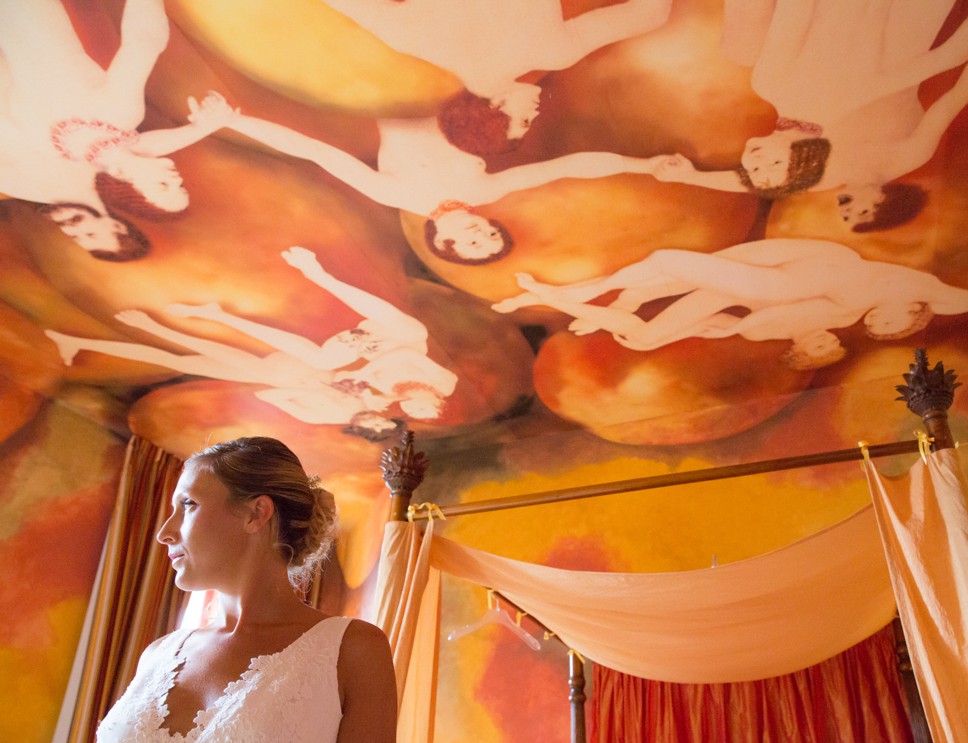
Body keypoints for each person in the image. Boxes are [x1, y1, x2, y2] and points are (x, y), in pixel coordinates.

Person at [94, 437, 398, 743]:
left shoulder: (351, 651)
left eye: (188, 504)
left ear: (256, 514)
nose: (164, 533)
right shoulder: (158, 655)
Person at [653, 0, 968, 231]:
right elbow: (959, 72)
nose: (846, 209)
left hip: (875, 37)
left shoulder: (820, 159)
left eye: (848, 217)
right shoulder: (898, 151)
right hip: (900, 33)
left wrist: (692, 177)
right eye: (862, 211)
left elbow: (754, 182)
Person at [207, 97, 688, 265]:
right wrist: (644, 167)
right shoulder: (483, 191)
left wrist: (235, 121)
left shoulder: (396, 194)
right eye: (492, 233)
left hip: (390, 90)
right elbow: (568, 167)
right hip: (448, 85)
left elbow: (315, 151)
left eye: (474, 243)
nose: (482, 231)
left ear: (444, 242)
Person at [44, 247, 458, 435]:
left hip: (293, 368)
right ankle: (202, 318)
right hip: (371, 340)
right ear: (437, 402)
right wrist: (363, 370)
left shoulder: (355, 406)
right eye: (422, 409)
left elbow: (273, 397)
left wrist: (314, 388)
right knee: (332, 354)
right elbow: (399, 358)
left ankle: (77, 342)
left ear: (360, 428)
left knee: (181, 359)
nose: (409, 409)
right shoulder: (430, 378)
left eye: (409, 413)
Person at [492, 238, 968, 367]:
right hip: (763, 274)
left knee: (644, 339)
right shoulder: (891, 281)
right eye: (892, 322)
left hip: (750, 290)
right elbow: (965, 299)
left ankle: (565, 301)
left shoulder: (847, 311)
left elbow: (764, 319)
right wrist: (925, 291)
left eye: (882, 330)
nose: (878, 323)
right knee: (663, 264)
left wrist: (724, 325)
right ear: (911, 307)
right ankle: (567, 294)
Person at [0, 1, 234, 259]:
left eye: (165, 186)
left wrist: (204, 126)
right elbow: (144, 41)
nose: (178, 179)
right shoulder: (118, 121)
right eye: (181, 186)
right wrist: (207, 125)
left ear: (124, 181)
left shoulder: (72, 154)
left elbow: (144, 42)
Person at [320, 0, 671, 153]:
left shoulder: (552, 53)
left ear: (497, 106)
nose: (535, 113)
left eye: (524, 120)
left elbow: (651, 13)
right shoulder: (410, 40)